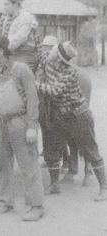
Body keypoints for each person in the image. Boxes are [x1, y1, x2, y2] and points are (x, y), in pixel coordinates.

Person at [0, 33, 45, 222]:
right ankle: (5, 201)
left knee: (28, 164)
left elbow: (33, 98)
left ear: (1, 51)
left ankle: (36, 205)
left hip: (20, 123)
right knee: (3, 165)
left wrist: (32, 126)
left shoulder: (21, 69)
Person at [36, 41, 107, 201]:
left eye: (53, 50)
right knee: (52, 148)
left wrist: (35, 85)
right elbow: (42, 59)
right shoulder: (50, 62)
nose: (51, 51)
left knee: (90, 149)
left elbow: (54, 91)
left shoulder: (69, 73)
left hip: (78, 116)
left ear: (59, 58)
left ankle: (104, 187)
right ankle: (54, 184)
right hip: (62, 117)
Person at [0, 0, 39, 72]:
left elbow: (17, 40)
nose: (3, 7)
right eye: (3, 4)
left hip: (24, 54)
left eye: (6, 4)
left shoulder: (26, 17)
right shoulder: (5, 17)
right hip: (9, 52)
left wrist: (0, 51)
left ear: (15, 5)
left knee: (18, 75)